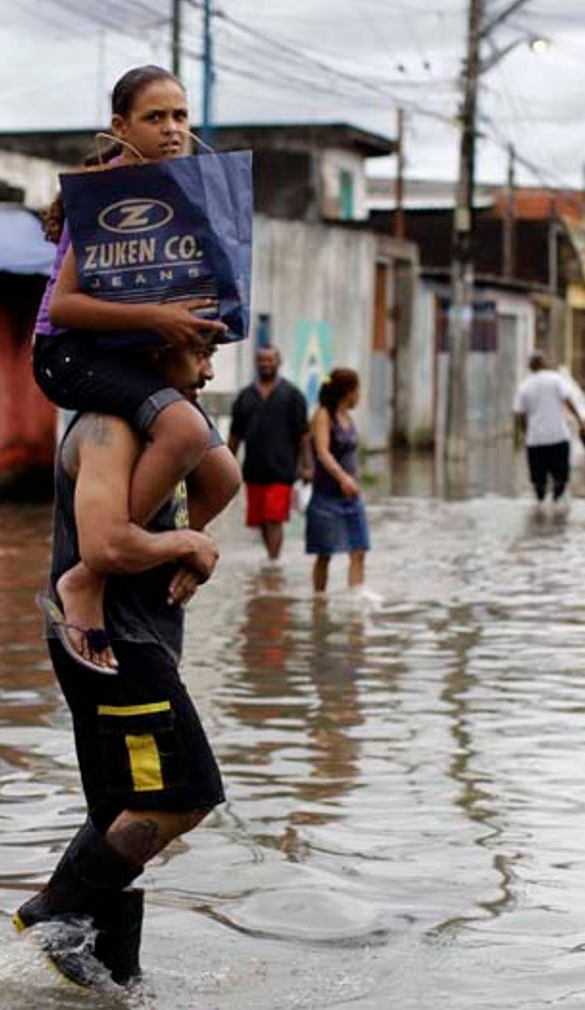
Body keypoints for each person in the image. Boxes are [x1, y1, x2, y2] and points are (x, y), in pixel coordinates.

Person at [16, 342, 232, 990]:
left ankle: (112, 989)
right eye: (198, 351)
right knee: (186, 795)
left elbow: (223, 476)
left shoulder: (160, 430)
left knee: (118, 807)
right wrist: (185, 540)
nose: (211, 368)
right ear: (152, 353)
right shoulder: (106, 430)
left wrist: (191, 537)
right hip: (108, 642)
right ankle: (56, 910)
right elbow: (105, 543)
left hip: (133, 637)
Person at [33, 64, 242, 676]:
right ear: (121, 128)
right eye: (156, 117)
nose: (173, 130)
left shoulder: (186, 195)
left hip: (131, 354)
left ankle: (158, 558)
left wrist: (204, 324)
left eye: (181, 116)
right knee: (180, 432)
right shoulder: (103, 198)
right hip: (71, 353)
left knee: (223, 473)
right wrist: (158, 319)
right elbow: (64, 306)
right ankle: (90, 573)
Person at [227, 344, 312, 559]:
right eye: (261, 360)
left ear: (278, 362)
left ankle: (273, 565)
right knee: (261, 521)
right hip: (254, 470)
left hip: (282, 470)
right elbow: (235, 435)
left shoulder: (293, 395)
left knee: (274, 519)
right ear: (256, 363)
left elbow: (303, 434)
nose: (265, 364)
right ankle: (270, 559)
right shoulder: (245, 397)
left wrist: (307, 465)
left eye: (270, 360)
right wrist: (227, 466)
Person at [306, 368, 370, 593]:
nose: (359, 395)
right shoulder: (323, 415)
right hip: (326, 496)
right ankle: (319, 601)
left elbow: (351, 456)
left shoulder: (348, 418)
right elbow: (323, 452)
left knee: (359, 549)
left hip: (351, 497)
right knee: (324, 554)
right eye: (357, 390)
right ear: (348, 392)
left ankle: (356, 597)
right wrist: (343, 478)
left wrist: (355, 480)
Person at [513, 351, 585, 504]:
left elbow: (519, 415)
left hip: (535, 441)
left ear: (530, 366)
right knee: (561, 479)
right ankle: (557, 506)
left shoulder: (524, 386)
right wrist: (581, 422)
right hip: (559, 438)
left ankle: (540, 509)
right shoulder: (556, 380)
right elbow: (569, 402)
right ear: (544, 364)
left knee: (538, 482)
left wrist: (524, 433)